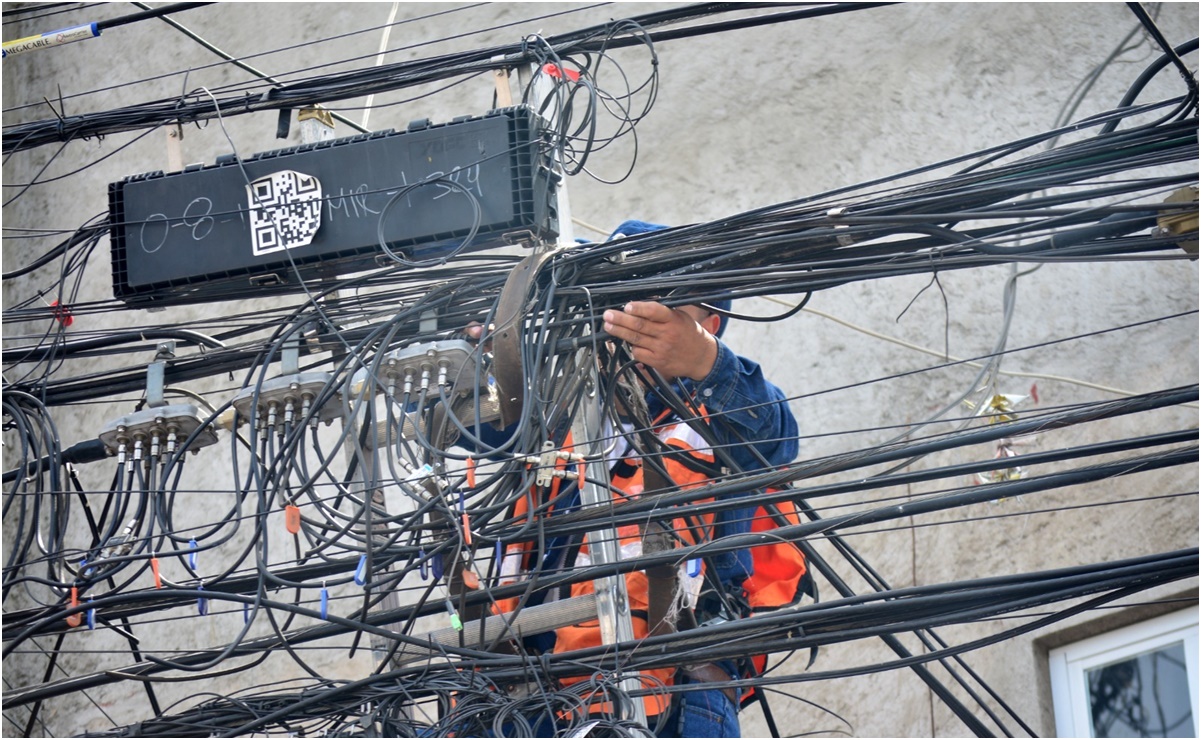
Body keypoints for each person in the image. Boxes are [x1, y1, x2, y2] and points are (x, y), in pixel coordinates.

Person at [470, 221, 804, 738]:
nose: (631, 322)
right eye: (620, 302)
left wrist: (706, 363)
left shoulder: (728, 414)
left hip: (674, 685)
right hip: (517, 686)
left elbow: (770, 428)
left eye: (660, 307)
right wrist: (487, 360)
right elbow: (461, 425)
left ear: (709, 324)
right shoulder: (560, 406)